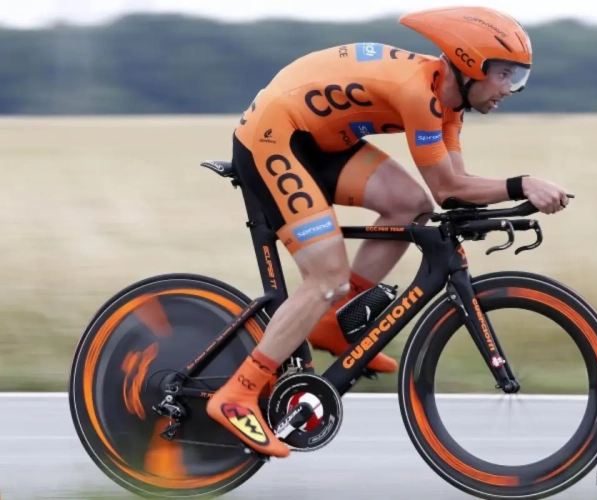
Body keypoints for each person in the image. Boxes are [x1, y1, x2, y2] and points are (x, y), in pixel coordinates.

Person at [206, 6, 571, 458]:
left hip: (321, 142)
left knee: (409, 205)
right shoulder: (419, 94)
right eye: (504, 75)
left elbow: (451, 191)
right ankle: (239, 393)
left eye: (517, 77)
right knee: (326, 278)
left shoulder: (450, 103)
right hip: (274, 137)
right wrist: (522, 185)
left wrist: (507, 203)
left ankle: (332, 324)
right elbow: (449, 188)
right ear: (470, 63)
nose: (510, 89)